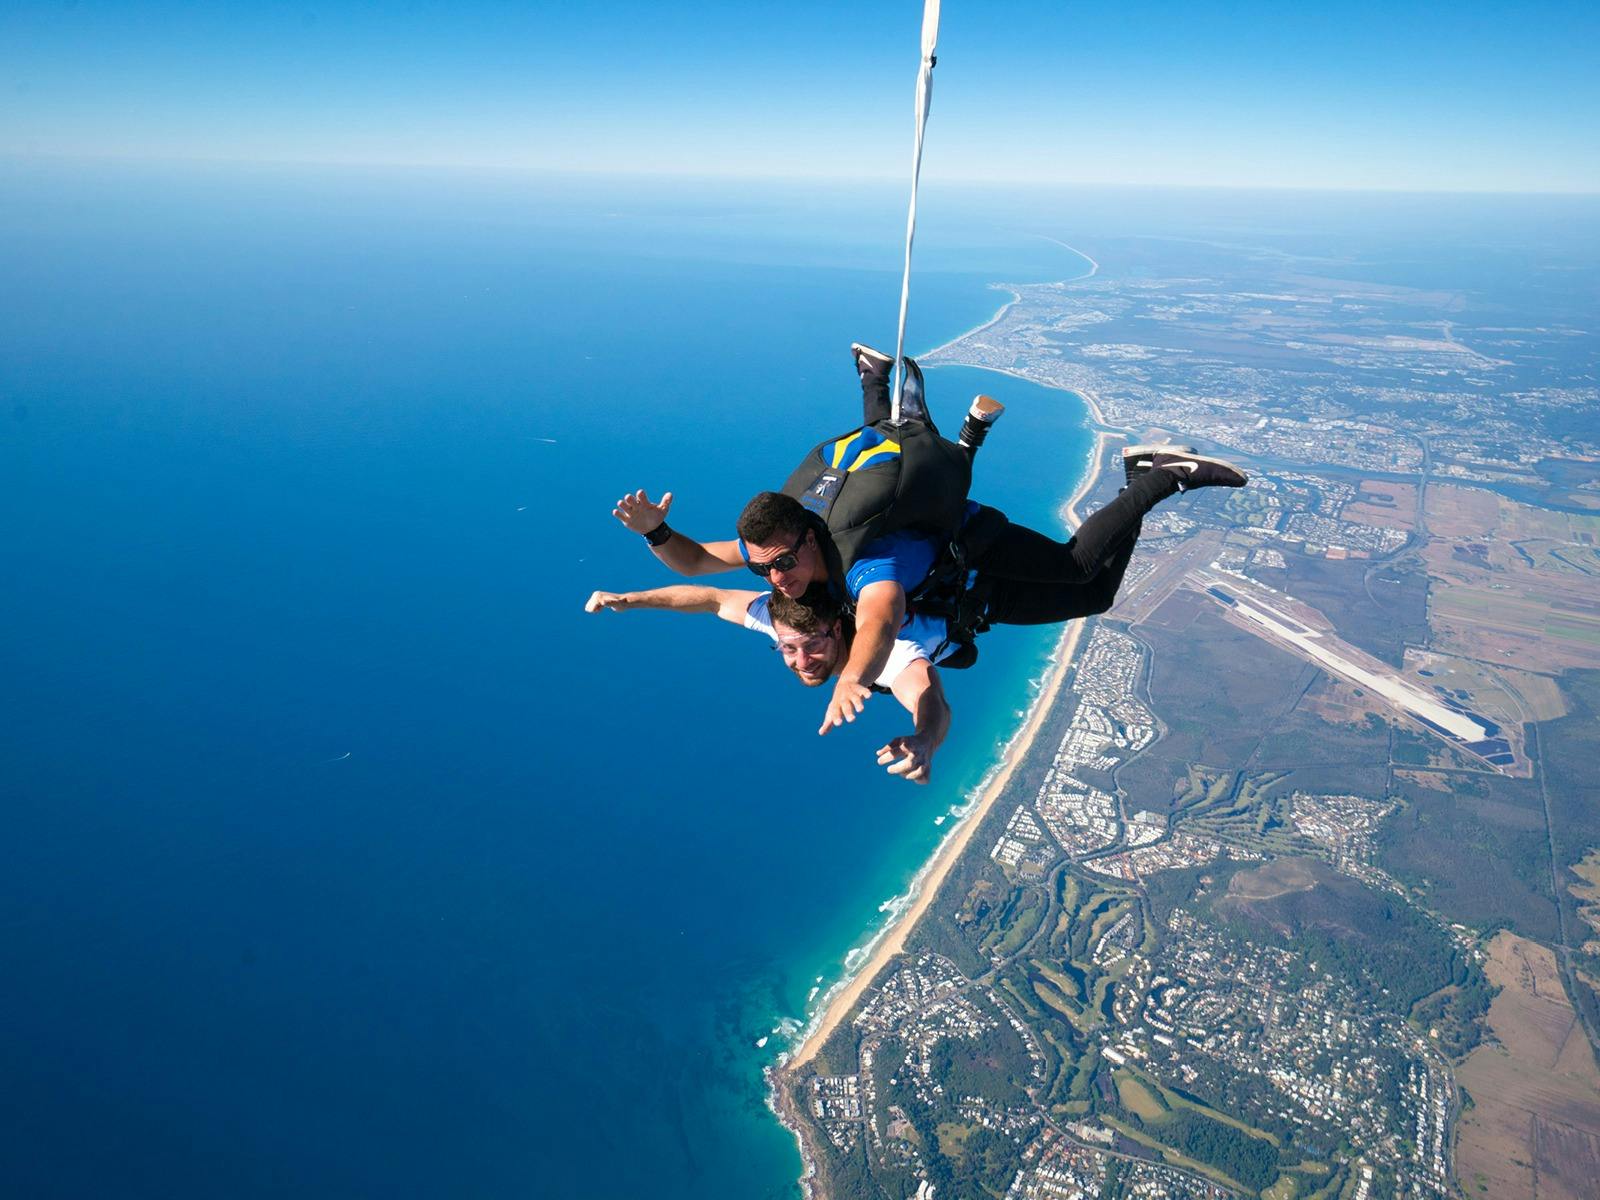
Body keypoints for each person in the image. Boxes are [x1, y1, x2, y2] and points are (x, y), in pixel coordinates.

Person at [611, 345, 1249, 733]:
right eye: (766, 572)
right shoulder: (783, 580)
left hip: (974, 551)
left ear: (809, 537)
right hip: (964, 592)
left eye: (781, 565)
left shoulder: (862, 566)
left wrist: (854, 680)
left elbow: (882, 622)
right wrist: (653, 539)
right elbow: (697, 574)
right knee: (1096, 596)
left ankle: (1160, 478)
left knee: (1079, 569)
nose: (775, 578)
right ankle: (874, 382)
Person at [583, 583, 953, 783]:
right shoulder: (781, 621)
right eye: (787, 648)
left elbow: (929, 696)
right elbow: (711, 599)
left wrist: (925, 740)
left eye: (813, 646)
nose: (801, 661)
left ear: (837, 630)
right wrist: (631, 600)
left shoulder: (882, 652)